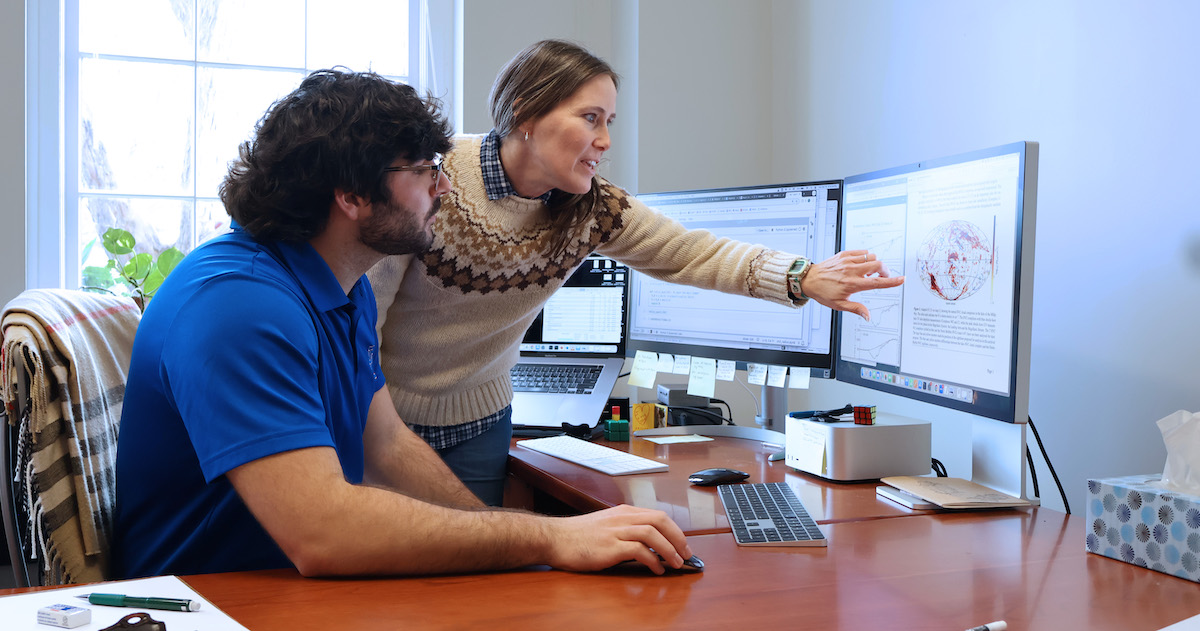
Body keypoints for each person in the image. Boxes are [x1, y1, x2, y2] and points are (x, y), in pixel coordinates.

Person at [111, 68, 692, 580]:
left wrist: (511, 537)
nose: (443, 186)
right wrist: (549, 537)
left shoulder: (343, 288)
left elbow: (386, 444)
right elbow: (323, 533)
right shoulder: (238, 307)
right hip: (213, 599)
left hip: (280, 582)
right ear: (352, 196)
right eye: (423, 171)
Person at [367, 39, 905, 506]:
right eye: (590, 118)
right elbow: (361, 316)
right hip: (381, 410)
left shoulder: (592, 209)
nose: (605, 141)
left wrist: (801, 276)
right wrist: (366, 412)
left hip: (480, 419)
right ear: (525, 115)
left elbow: (689, 252)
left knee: (471, 571)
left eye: (609, 122)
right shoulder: (434, 180)